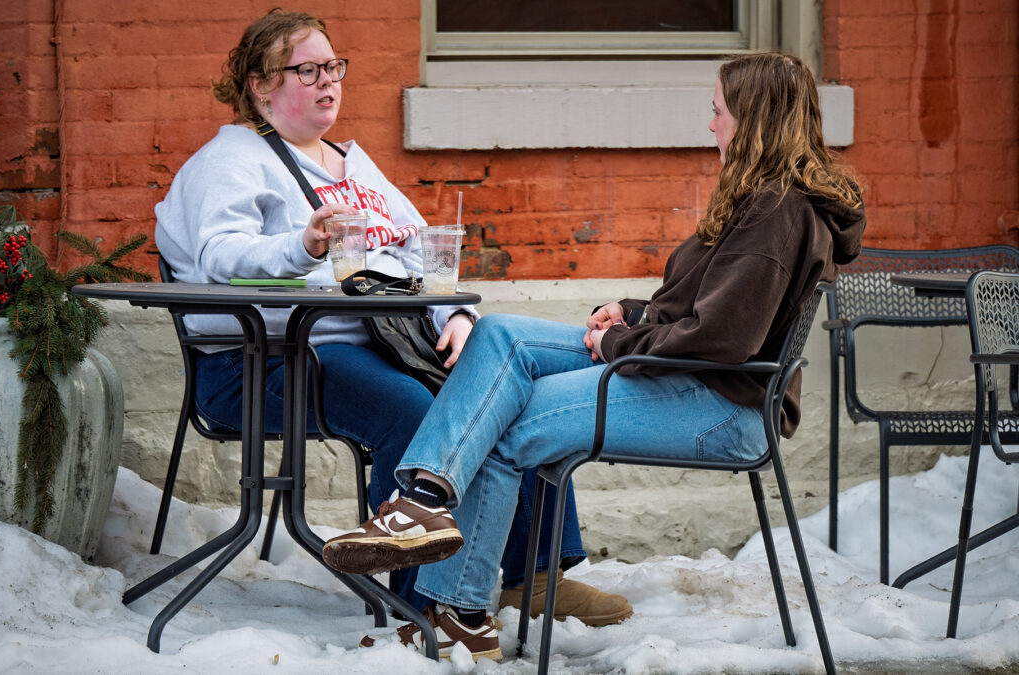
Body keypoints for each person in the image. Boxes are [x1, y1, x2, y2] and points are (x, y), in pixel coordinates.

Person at [323, 51, 867, 661]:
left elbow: (723, 339)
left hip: (720, 403)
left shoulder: (777, 211)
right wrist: (632, 313)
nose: (711, 124)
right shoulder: (761, 199)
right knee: (498, 335)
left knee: (507, 428)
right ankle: (422, 502)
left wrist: (619, 344)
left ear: (755, 119)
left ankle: (462, 615)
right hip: (691, 377)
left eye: (719, 112)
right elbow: (706, 306)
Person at [152, 8, 630, 631]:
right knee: (418, 413)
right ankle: (422, 601)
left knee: (508, 392)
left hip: (382, 344)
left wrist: (452, 317)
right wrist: (306, 246)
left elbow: (416, 251)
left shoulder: (354, 164)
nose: (328, 80)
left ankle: (532, 578)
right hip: (266, 360)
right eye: (308, 69)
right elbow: (220, 257)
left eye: (333, 66)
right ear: (261, 84)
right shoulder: (233, 159)